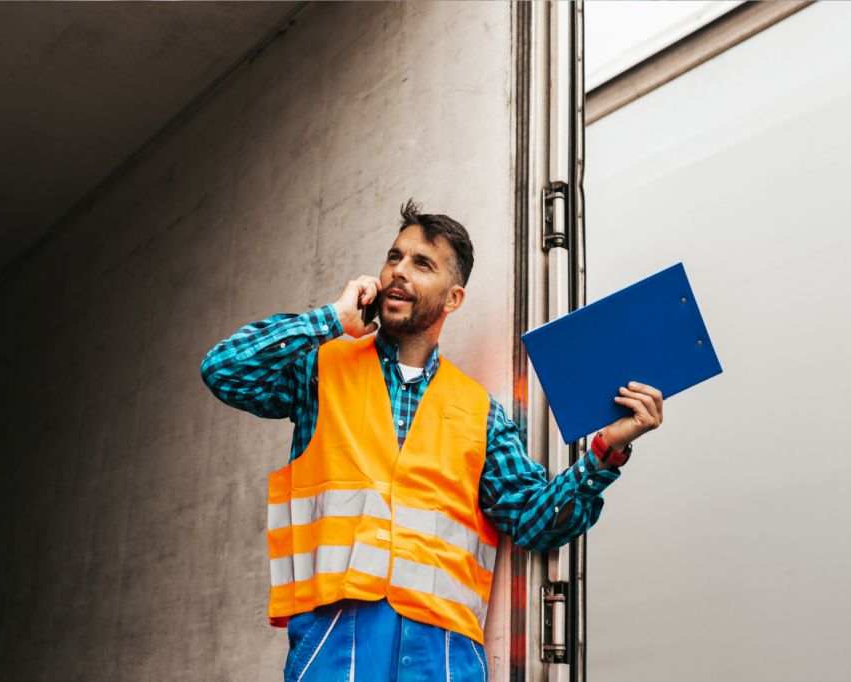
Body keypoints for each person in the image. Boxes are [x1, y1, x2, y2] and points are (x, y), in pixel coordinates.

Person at [201, 200, 664, 681]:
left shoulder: (479, 410)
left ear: (453, 298)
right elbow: (223, 369)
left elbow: (534, 520)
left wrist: (607, 449)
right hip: (337, 641)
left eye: (421, 264)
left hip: (444, 654)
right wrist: (334, 319)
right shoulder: (322, 368)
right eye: (394, 257)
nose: (398, 272)